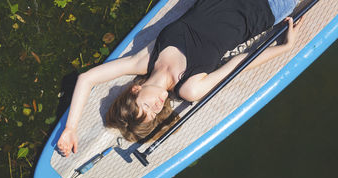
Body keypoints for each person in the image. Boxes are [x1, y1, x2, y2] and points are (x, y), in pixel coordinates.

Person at [57, 0, 303, 157]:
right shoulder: (190, 88)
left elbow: (87, 79)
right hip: (266, 7)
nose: (156, 107)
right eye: (154, 114)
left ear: (134, 90)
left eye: (146, 107)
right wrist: (282, 48)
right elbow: (237, 64)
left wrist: (70, 128)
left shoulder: (144, 58)